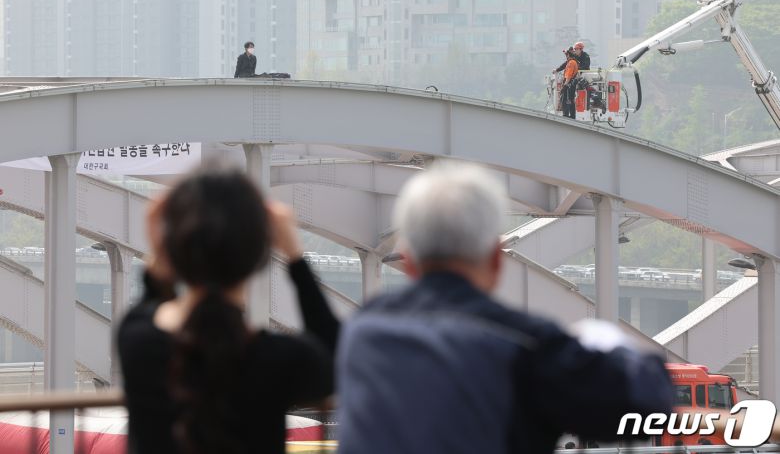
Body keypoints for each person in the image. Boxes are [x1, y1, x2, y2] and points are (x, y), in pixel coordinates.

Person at [336, 163, 673, 454]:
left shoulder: (363, 333)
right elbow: (646, 404)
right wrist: (608, 342)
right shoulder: (524, 344)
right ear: (496, 259)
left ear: (408, 261)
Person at [118, 162, 339, 454]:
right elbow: (337, 359)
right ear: (258, 255)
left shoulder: (137, 339)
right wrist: (295, 258)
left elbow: (150, 307)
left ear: (174, 251)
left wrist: (160, 251)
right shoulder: (279, 360)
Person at [562, 48, 579, 119]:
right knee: (571, 99)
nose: (566, 56)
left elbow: (569, 75)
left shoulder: (571, 63)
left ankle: (566, 114)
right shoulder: (573, 62)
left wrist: (565, 85)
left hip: (569, 83)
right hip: (572, 83)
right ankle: (572, 115)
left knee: (566, 99)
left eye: (566, 55)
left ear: (569, 55)